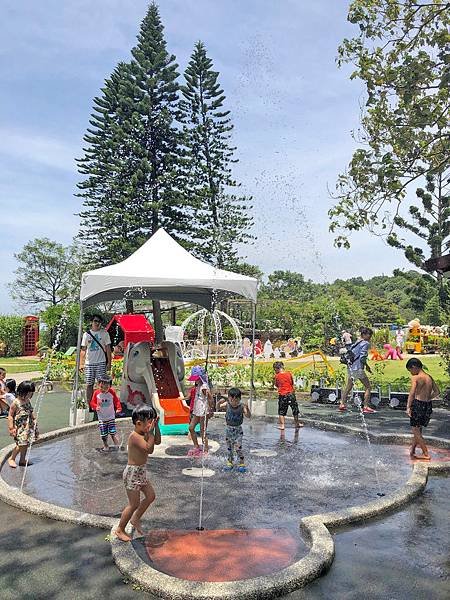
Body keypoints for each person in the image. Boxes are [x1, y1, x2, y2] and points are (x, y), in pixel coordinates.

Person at [115, 405, 161, 542]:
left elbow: (157, 441)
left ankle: (135, 519)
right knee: (133, 504)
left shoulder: (144, 433)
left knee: (151, 496)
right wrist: (151, 433)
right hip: (132, 474)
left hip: (141, 472)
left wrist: (156, 428)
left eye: (152, 420)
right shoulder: (134, 437)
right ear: (138, 423)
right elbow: (149, 449)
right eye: (149, 421)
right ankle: (120, 529)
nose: (150, 424)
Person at [406, 358, 440, 460]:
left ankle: (426, 454)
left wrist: (408, 406)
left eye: (410, 370)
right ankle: (412, 450)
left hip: (418, 404)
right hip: (427, 405)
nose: (411, 373)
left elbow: (412, 393)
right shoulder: (429, 377)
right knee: (418, 429)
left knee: (415, 430)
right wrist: (428, 398)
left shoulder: (416, 378)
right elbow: (437, 391)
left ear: (414, 367)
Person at [339, 327, 376, 414]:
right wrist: (366, 366)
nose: (370, 336)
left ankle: (342, 404)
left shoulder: (357, 342)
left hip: (351, 367)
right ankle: (365, 406)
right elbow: (363, 357)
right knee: (368, 387)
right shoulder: (365, 343)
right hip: (358, 368)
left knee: (349, 386)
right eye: (369, 335)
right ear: (364, 335)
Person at [80, 315, 112, 408]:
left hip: (101, 362)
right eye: (95, 321)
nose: (97, 323)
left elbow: (108, 349)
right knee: (89, 384)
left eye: (99, 321)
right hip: (89, 363)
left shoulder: (104, 333)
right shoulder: (86, 334)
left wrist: (109, 363)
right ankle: (90, 404)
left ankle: (102, 404)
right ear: (91, 322)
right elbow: (83, 349)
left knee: (102, 384)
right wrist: (81, 364)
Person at [217, 387, 251, 472]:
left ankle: (241, 463)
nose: (234, 402)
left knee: (238, 447)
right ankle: (230, 462)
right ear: (229, 398)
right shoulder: (227, 404)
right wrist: (218, 403)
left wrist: (247, 409)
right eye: (232, 400)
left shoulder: (242, 406)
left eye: (236, 400)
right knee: (229, 448)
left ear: (239, 399)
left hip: (238, 430)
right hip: (229, 430)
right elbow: (217, 407)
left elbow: (248, 416)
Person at [7, 380, 38, 468]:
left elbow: (30, 411)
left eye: (31, 394)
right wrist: (11, 428)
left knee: (26, 443)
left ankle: (22, 460)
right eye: (28, 394)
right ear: (22, 392)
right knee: (20, 444)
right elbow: (10, 415)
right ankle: (12, 459)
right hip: (20, 427)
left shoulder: (27, 401)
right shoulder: (16, 402)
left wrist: (34, 419)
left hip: (28, 426)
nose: (30, 396)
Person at [90, 375, 122, 451]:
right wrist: (95, 406)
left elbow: (116, 401)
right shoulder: (96, 393)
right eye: (102, 387)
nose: (104, 389)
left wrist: (119, 408)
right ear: (98, 385)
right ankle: (106, 446)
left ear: (110, 386)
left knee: (113, 432)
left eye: (106, 388)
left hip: (110, 416)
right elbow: (92, 402)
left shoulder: (112, 392)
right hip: (102, 418)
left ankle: (117, 445)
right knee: (104, 434)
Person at [187, 366, 214, 457]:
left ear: (200, 377)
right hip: (197, 410)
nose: (195, 380)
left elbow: (210, 398)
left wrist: (211, 409)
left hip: (203, 411)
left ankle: (205, 449)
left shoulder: (204, 387)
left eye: (196, 378)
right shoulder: (198, 385)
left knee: (203, 431)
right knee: (191, 428)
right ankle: (196, 446)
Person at [273, 361, 303, 430]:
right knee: (295, 409)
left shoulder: (277, 376)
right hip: (291, 394)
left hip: (283, 395)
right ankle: (297, 423)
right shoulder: (289, 374)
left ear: (276, 369)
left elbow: (276, 385)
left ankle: (282, 425)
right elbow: (292, 383)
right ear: (282, 367)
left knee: (281, 411)